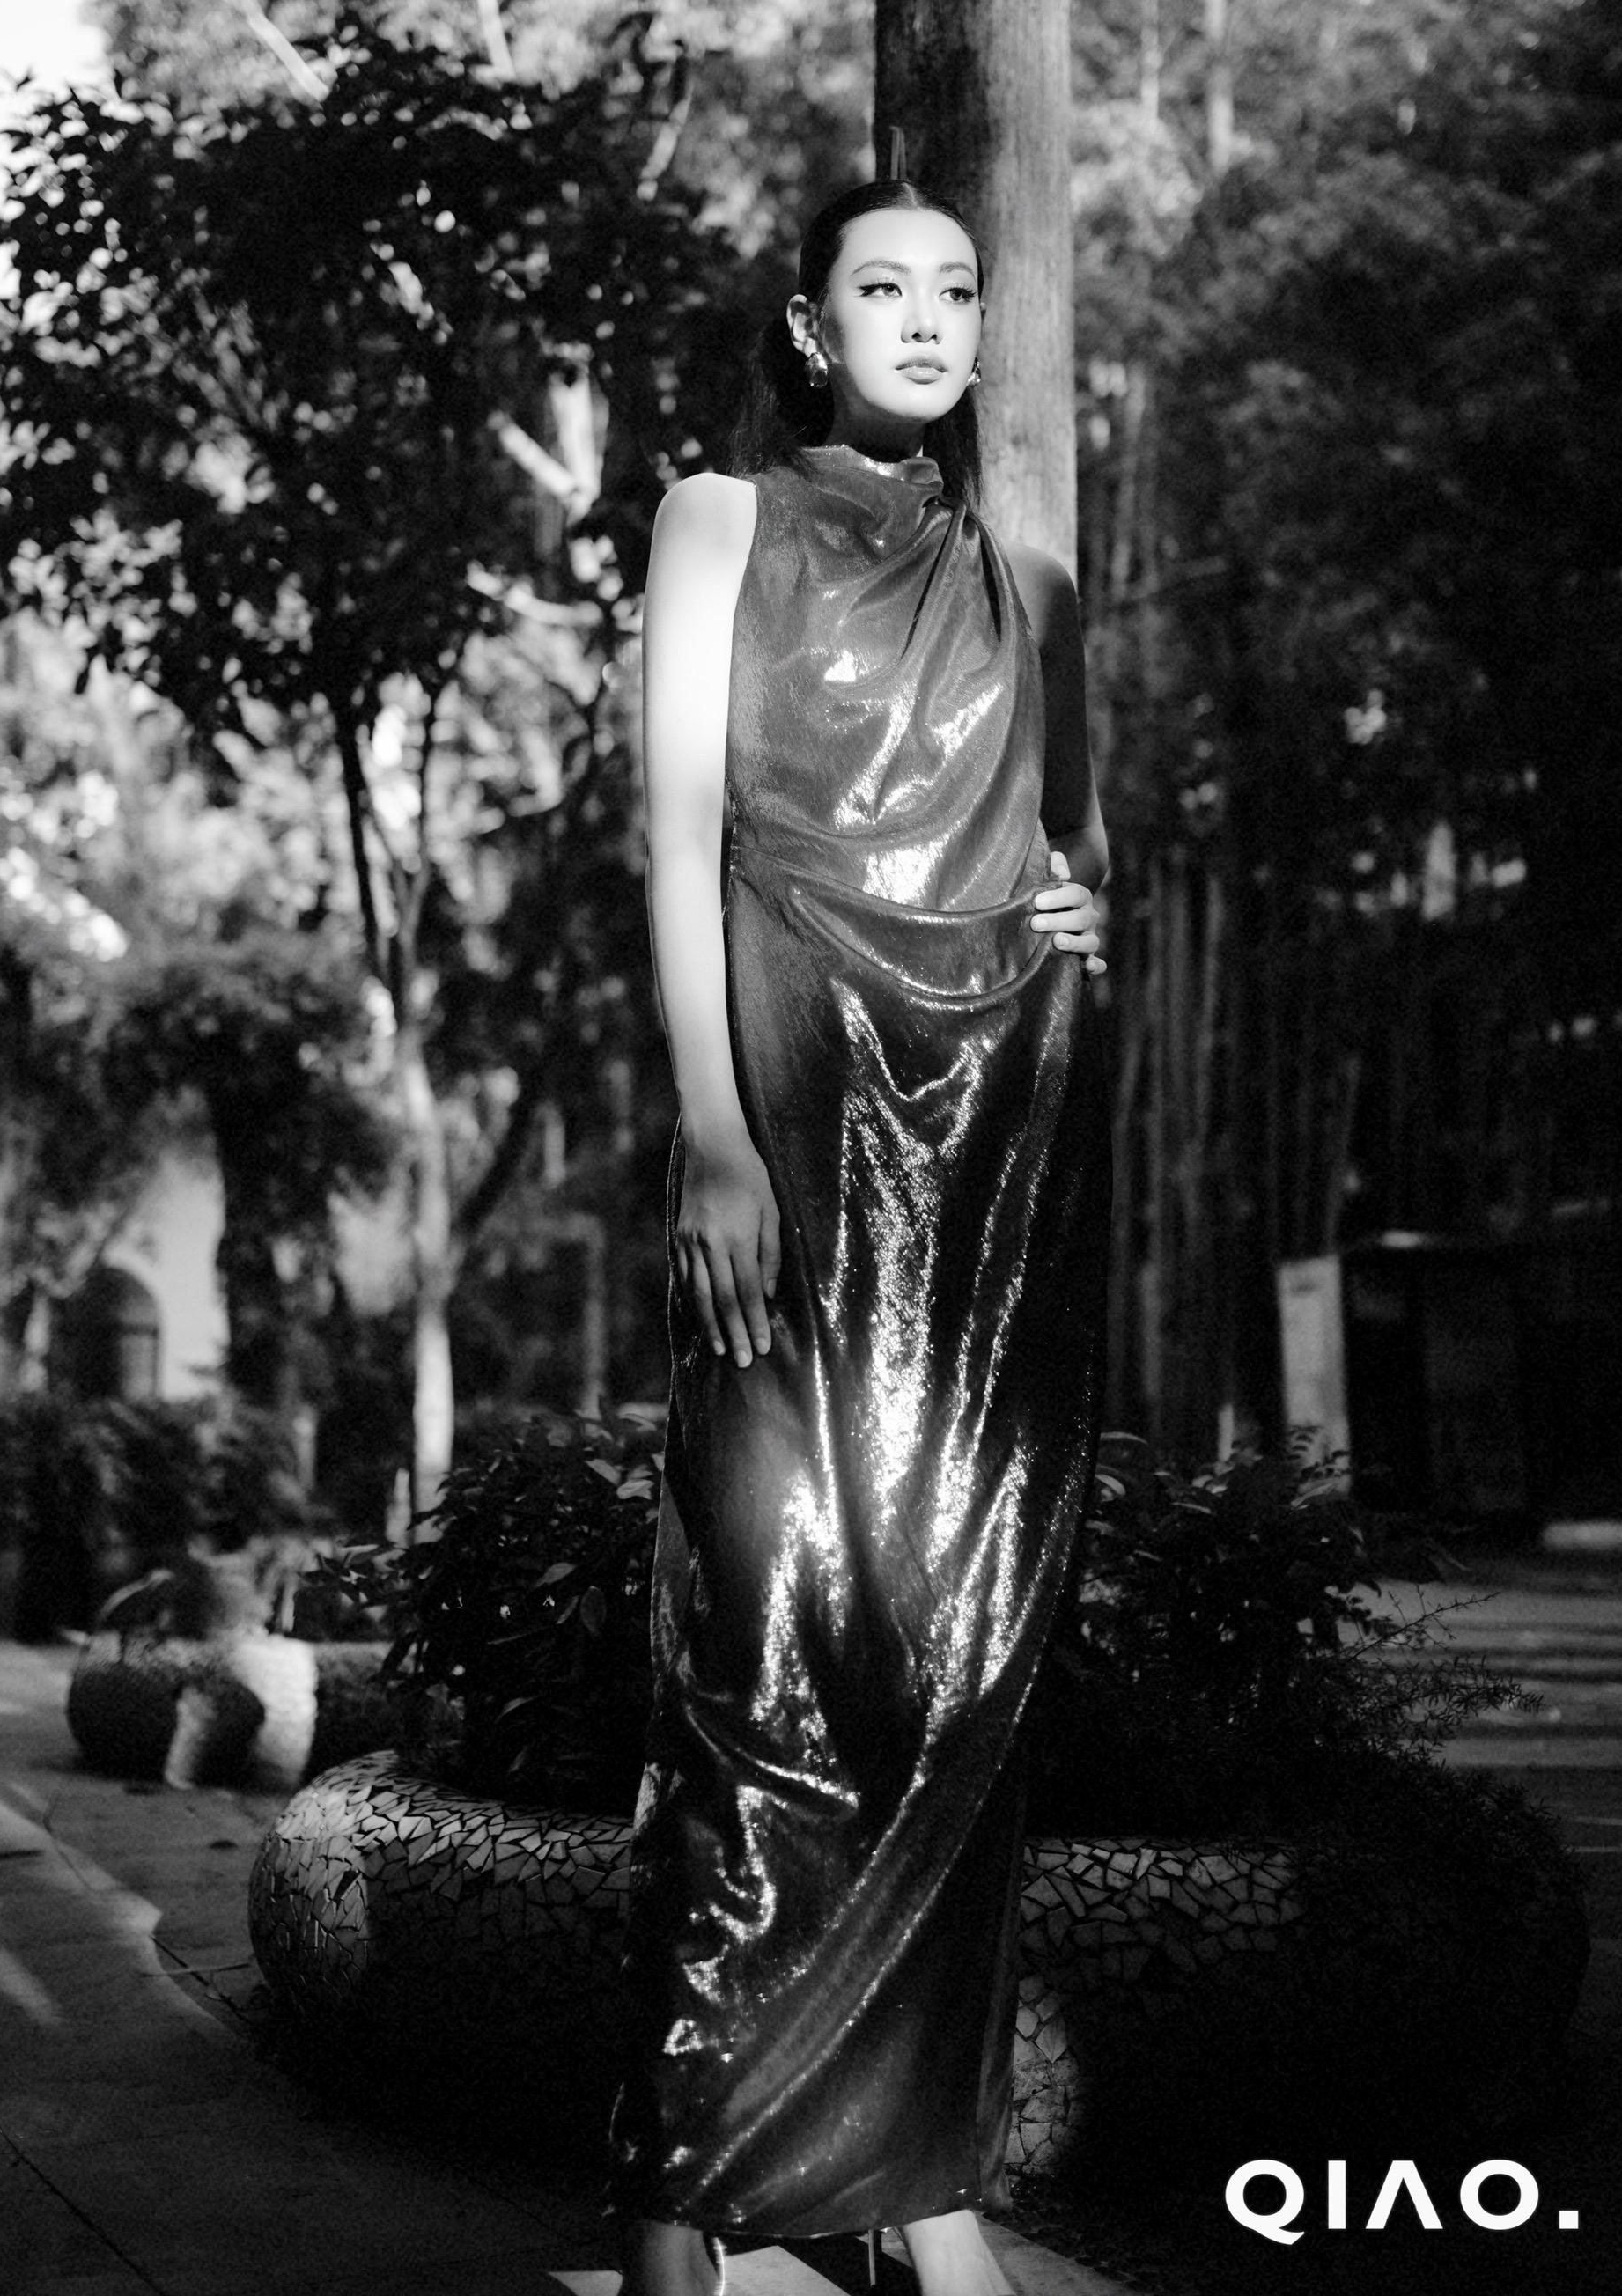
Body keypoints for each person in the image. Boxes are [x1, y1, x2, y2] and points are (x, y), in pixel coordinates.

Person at [608, 180, 1112, 2296]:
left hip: (994, 1156)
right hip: (795, 1139)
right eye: (880, 287)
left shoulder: (1036, 585)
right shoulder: (717, 520)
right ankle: (676, 2203)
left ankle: (917, 2185)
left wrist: (1083, 909)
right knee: (764, 1639)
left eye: (954, 291)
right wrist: (715, 1131)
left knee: (951, 1654)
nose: (925, 317)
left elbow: (1070, 847)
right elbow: (680, 834)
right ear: (811, 328)